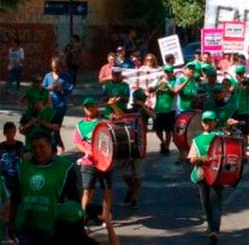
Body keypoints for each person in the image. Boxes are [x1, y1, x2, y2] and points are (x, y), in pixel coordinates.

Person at [10, 132, 84, 245]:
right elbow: (15, 197)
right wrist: (11, 222)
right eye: (34, 147)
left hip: (53, 228)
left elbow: (73, 200)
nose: (37, 150)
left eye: (41, 146)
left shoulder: (65, 168)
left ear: (50, 146)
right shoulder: (22, 167)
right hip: (26, 226)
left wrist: (78, 226)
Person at [73, 97, 117, 238]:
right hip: (89, 162)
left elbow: (121, 117)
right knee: (87, 191)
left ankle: (106, 216)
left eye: (92, 106)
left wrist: (113, 105)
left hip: (105, 161)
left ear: (97, 107)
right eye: (87, 106)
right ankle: (83, 219)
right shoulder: (80, 125)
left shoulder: (104, 120)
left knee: (107, 190)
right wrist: (87, 152)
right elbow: (78, 142)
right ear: (84, 108)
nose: (89, 109)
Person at [111, 89, 154, 209]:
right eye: (141, 99)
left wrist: (143, 106)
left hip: (140, 147)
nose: (143, 100)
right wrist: (114, 106)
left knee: (138, 176)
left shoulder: (144, 111)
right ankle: (131, 190)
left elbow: (153, 116)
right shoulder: (126, 109)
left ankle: (134, 198)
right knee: (126, 174)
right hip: (126, 147)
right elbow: (118, 116)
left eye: (144, 99)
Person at [188, 110, 224, 245]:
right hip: (202, 173)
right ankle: (210, 224)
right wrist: (200, 158)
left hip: (217, 174)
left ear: (216, 122)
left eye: (211, 121)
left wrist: (232, 127)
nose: (208, 124)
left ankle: (215, 230)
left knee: (216, 202)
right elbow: (191, 159)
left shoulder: (221, 136)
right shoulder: (197, 140)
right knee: (205, 202)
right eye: (205, 121)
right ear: (202, 123)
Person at [43, 57, 73, 154]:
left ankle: (55, 148)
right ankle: (58, 146)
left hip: (60, 105)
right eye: (53, 67)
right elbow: (42, 89)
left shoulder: (66, 76)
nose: (54, 69)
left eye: (56, 67)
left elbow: (69, 90)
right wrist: (50, 88)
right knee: (51, 127)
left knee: (55, 127)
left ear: (60, 66)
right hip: (49, 105)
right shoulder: (48, 76)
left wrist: (61, 89)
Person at [153, 66, 178, 155]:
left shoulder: (175, 81)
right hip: (159, 108)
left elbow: (175, 92)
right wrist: (158, 84)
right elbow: (150, 90)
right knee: (157, 128)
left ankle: (167, 146)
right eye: (166, 72)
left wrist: (167, 84)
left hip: (170, 109)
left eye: (169, 72)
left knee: (168, 129)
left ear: (172, 73)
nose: (167, 74)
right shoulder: (159, 80)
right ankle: (162, 142)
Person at [0, 122, 24, 198]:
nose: (10, 135)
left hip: (17, 177)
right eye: (8, 132)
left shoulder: (19, 145)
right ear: (4, 133)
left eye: (12, 132)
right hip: (5, 178)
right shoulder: (1, 146)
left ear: (15, 132)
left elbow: (23, 158)